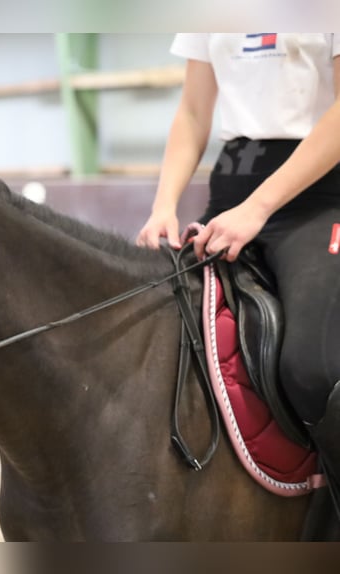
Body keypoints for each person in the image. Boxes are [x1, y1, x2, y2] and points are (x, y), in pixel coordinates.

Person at [136, 33, 340, 514]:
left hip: (319, 197)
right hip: (232, 190)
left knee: (315, 369)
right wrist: (164, 204)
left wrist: (259, 208)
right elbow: (192, 111)